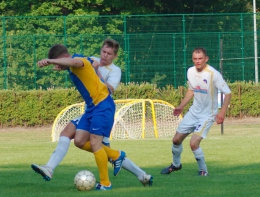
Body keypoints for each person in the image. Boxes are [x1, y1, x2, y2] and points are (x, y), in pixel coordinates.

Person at [33, 40, 153, 189]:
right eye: (103, 51)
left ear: (114, 56)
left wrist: (51, 60)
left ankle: (105, 183)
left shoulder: (104, 67)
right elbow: (77, 65)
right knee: (79, 141)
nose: (105, 55)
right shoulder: (89, 59)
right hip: (92, 108)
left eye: (109, 53)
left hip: (103, 106)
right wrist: (62, 66)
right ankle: (120, 158)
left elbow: (78, 64)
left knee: (97, 145)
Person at [161, 47, 231, 176]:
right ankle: (176, 165)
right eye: (195, 59)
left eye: (200, 59)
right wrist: (181, 106)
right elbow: (192, 90)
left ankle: (203, 170)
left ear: (206, 59)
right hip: (193, 112)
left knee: (193, 143)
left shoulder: (213, 74)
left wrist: (222, 112)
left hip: (207, 115)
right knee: (176, 140)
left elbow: (227, 93)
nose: (197, 61)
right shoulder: (190, 71)